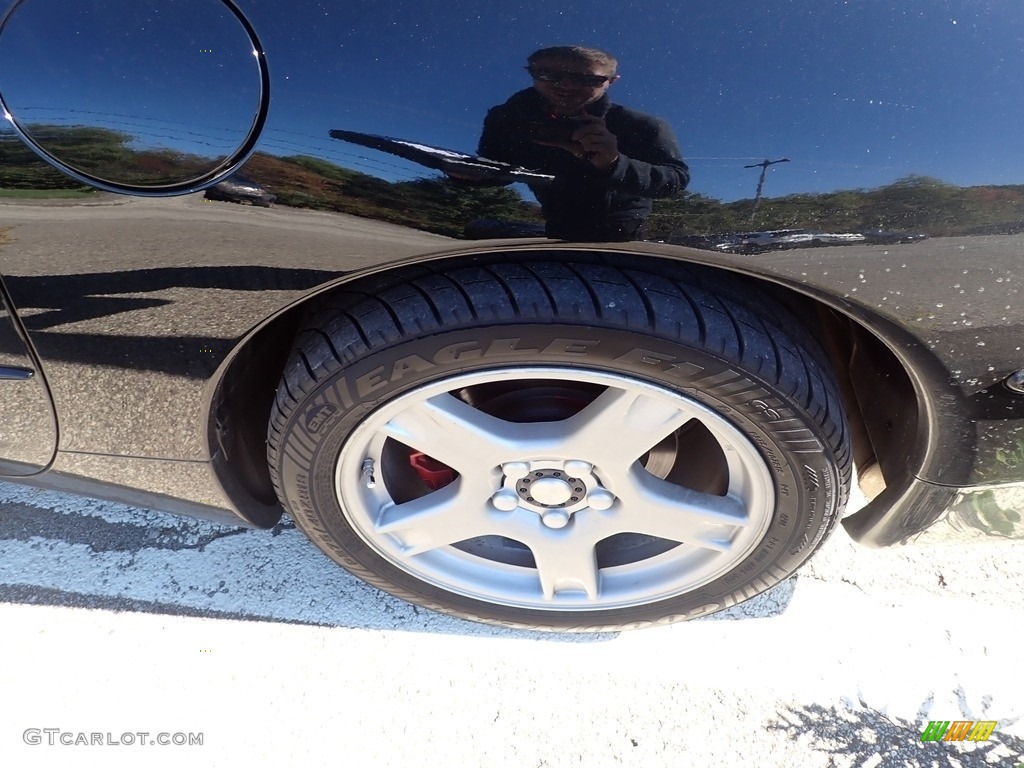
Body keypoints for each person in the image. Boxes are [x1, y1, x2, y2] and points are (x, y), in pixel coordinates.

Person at [471, 45, 690, 241]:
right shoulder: (507, 118)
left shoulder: (640, 125)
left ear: (610, 82)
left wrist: (613, 163)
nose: (565, 85)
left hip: (622, 234)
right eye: (548, 74)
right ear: (531, 73)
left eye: (587, 78)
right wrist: (469, 174)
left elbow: (674, 180)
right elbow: (494, 168)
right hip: (553, 224)